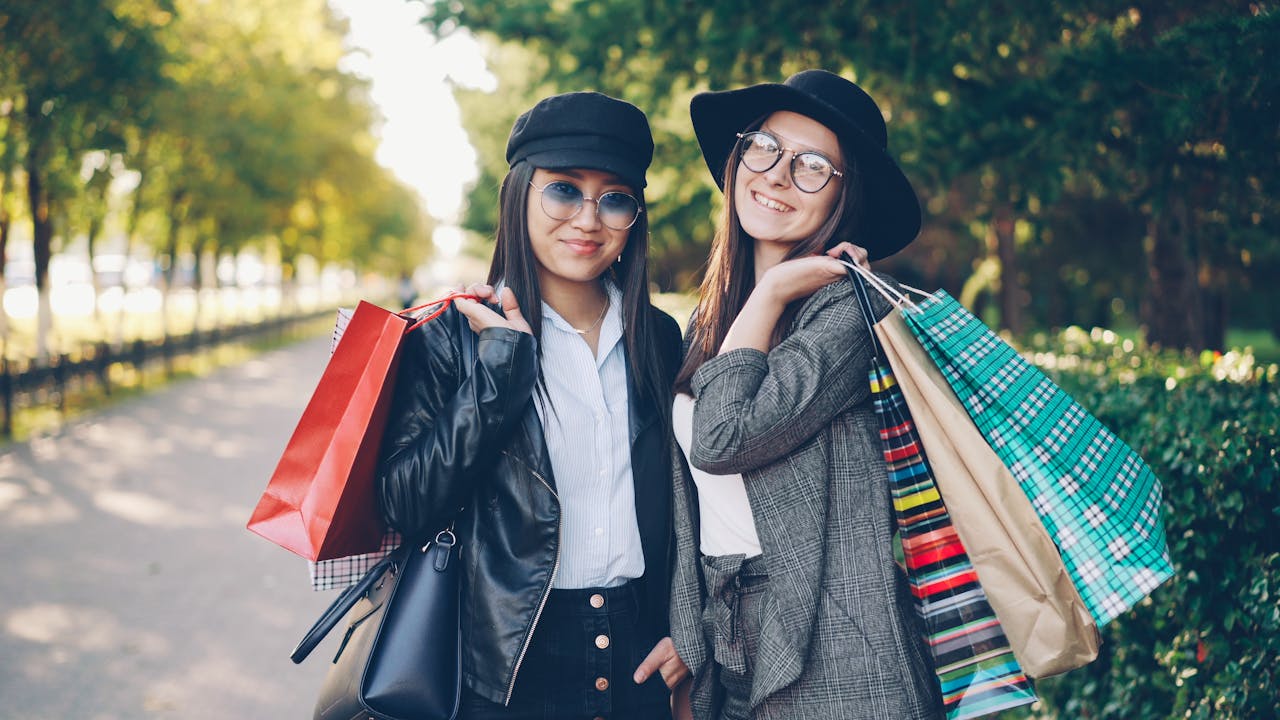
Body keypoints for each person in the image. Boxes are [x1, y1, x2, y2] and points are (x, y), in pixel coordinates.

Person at [376, 91, 688, 720]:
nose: (588, 219)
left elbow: (682, 504)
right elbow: (403, 503)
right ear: (519, 194)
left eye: (616, 198)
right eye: (564, 189)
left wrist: (689, 628)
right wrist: (499, 373)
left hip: (640, 655)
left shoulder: (659, 336)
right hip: (508, 662)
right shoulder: (453, 336)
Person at [667, 70, 946, 719]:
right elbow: (688, 506)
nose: (778, 175)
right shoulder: (707, 324)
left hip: (840, 657)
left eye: (814, 165)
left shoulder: (848, 314)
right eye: (765, 146)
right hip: (729, 640)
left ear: (846, 199)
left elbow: (721, 439)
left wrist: (773, 290)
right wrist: (686, 636)